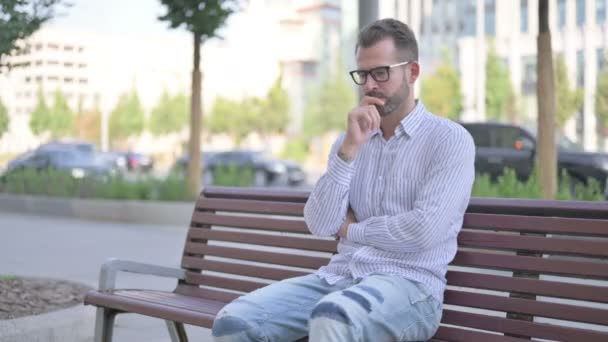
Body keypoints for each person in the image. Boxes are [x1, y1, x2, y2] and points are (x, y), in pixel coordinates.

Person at [211, 18, 475, 342]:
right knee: (235, 321)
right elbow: (320, 223)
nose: (369, 85)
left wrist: (352, 230)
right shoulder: (348, 141)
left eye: (381, 72)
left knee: (333, 318)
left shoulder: (449, 140)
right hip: (339, 278)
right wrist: (350, 148)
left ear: (413, 72)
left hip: (410, 289)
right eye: (362, 74)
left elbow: (424, 230)